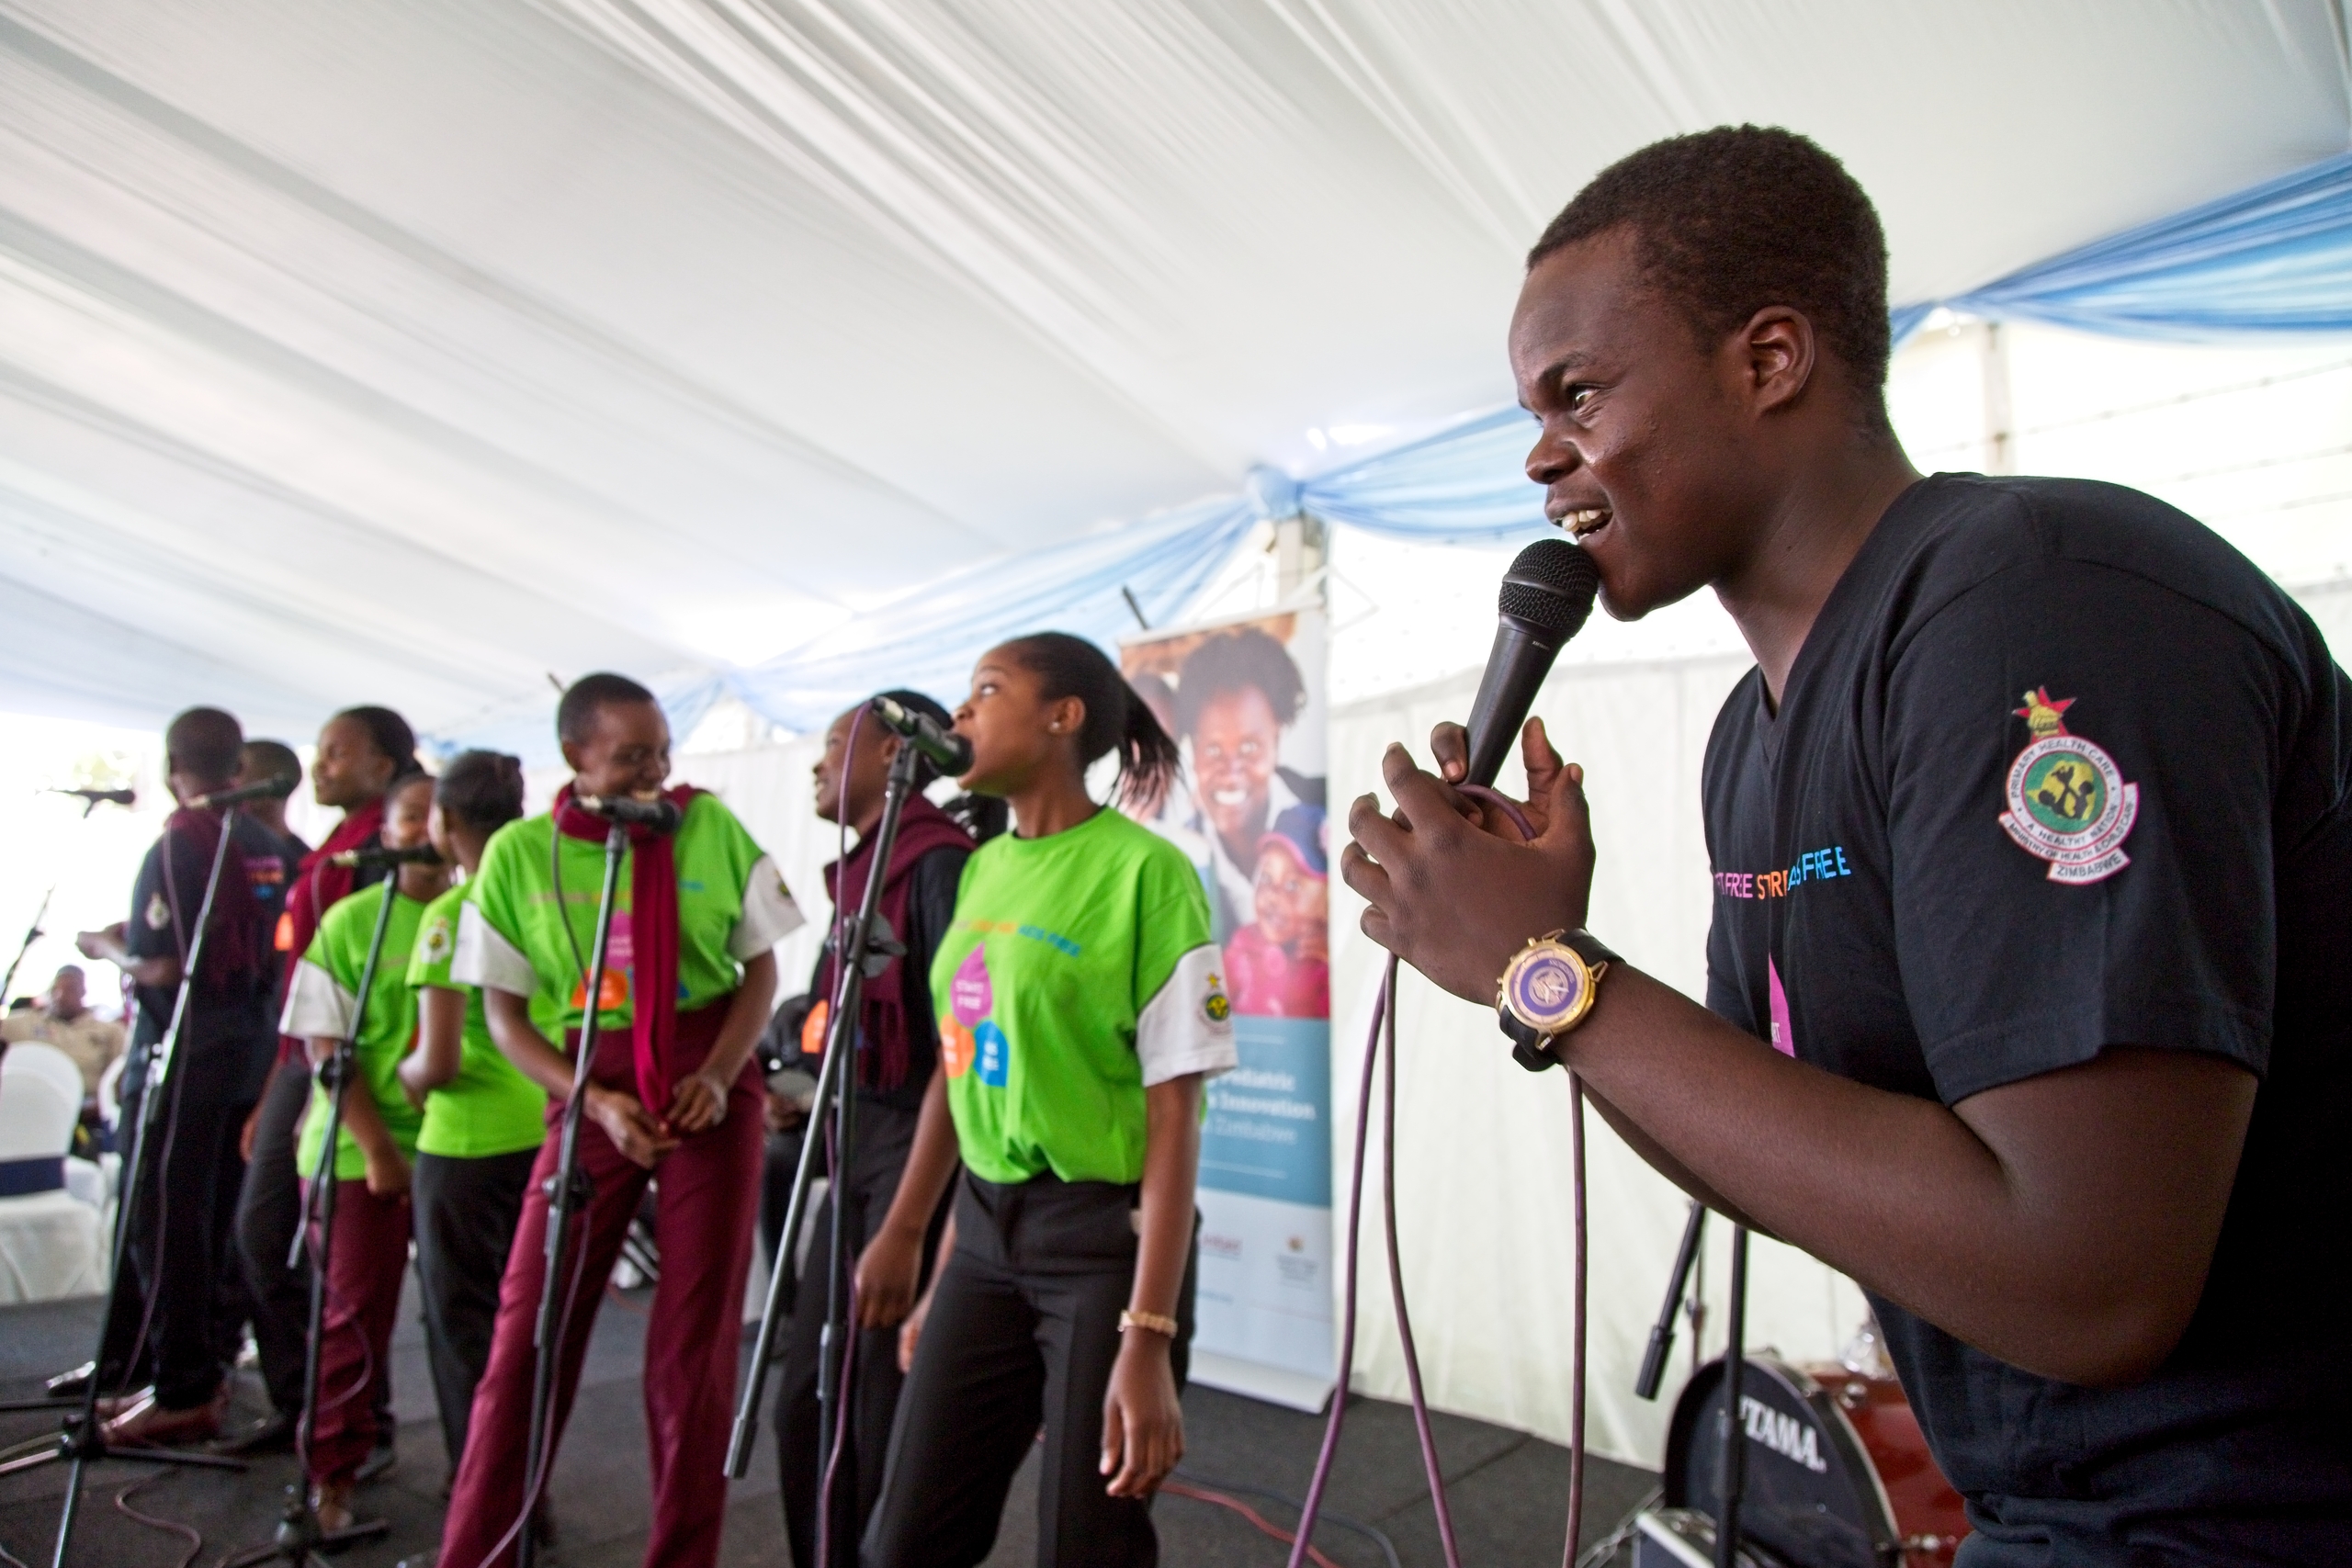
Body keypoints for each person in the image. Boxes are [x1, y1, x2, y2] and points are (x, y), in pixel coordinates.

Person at [1340, 126, 2352, 1565]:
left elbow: (2093, 1283)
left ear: (1769, 360)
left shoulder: (2031, 606)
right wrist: (1550, 963)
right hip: (2048, 1510)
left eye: (1579, 393)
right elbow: (1753, 1145)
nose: (1540, 453)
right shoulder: (1751, 737)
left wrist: (1550, 973)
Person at [862, 633, 1237, 1568]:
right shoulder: (982, 866)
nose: (960, 712)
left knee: (1087, 1541)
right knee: (904, 1538)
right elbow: (963, 1069)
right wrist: (924, 1245)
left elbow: (1175, 1114)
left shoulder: (1147, 873)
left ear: (1063, 717)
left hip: (1101, 1246)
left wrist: (1148, 1337)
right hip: (983, 1236)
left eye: (987, 690)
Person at [437, 672, 798, 1568]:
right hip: (589, 1082)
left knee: (693, 1348)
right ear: (576, 755)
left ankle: (682, 1555)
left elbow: (759, 971)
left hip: (707, 1077)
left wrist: (720, 1075)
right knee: (527, 1332)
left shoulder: (708, 825)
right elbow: (503, 1017)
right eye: (633, 756)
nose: (655, 773)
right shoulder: (519, 854)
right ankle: (479, 1549)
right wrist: (591, 1099)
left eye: (662, 753)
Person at [773, 691, 974, 1568]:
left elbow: (955, 1055)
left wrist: (907, 1226)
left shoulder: (941, 864)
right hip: (851, 1136)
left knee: (876, 1404)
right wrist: (804, 1075)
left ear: (895, 753)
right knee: (805, 1400)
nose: (818, 764)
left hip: (911, 1151)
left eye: (834, 744)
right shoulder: (863, 866)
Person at [67, 706, 292, 1445]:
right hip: (251, 1051)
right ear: (239, 766)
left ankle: (184, 1385)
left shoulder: (181, 841)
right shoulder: (269, 843)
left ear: (172, 769)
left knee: (163, 1219)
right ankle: (188, 1362)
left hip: (188, 1053)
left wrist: (107, 947)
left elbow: (164, 963)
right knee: (214, 1216)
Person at [229, 705, 416, 1459]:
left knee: (301, 1243)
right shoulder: (331, 848)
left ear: (383, 764)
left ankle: (349, 1415)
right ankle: (311, 1404)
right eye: (322, 750)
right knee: (269, 1238)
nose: (321, 764)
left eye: (339, 752)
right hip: (301, 1056)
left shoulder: (382, 851)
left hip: (345, 1062)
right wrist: (275, 1084)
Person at [278, 769, 443, 1529]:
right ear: (386, 833)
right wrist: (378, 1149)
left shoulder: (481, 915)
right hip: (358, 1146)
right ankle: (330, 1477)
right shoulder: (351, 923)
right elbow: (324, 1048)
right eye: (413, 817)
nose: (427, 831)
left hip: (455, 1147)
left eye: (440, 818)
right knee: (352, 1318)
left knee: (466, 1320)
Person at [393, 750, 546, 1486]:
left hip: (466, 1147)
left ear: (444, 820)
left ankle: (482, 1498)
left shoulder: (453, 914)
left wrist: (404, 1074)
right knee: (526, 1327)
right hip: (543, 1130)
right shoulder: (546, 902)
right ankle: (526, 1491)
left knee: (464, 1329)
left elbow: (440, 1059)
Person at [1172, 627, 1323, 942]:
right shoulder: (1179, 855)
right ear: (1193, 752)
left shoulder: (1328, 811)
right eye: (1213, 749)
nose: (1231, 772)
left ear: (1276, 741)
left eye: (1250, 747)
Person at [1223, 804, 1329, 1019]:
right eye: (1266, 877)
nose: (1271, 895)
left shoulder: (1332, 958)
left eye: (1292, 885)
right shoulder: (1242, 943)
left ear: (1328, 895)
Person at [1, 964, 126, 1100]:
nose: (60, 996)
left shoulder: (110, 1032)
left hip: (84, 1106)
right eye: (55, 989)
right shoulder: (25, 1022)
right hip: (24, 1099)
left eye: (70, 990)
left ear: (83, 992)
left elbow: (120, 1079)